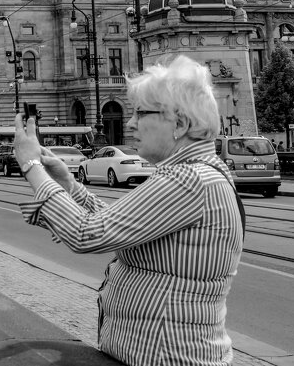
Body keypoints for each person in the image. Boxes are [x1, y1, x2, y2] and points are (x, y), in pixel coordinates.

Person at [13, 55, 243, 366]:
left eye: (141, 113)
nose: (131, 123)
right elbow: (117, 223)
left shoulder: (188, 179)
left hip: (168, 357)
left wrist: (30, 166)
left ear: (180, 123)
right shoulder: (196, 173)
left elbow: (86, 234)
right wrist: (66, 181)